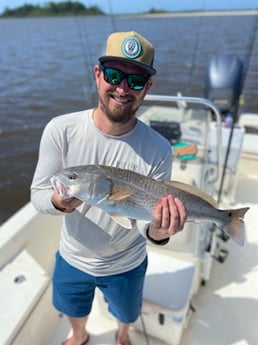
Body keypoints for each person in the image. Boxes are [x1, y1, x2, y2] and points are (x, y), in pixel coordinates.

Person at [31, 31, 187, 345]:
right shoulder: (60, 130)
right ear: (98, 74)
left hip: (127, 262)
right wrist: (60, 202)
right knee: (72, 307)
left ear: (148, 88)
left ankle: (123, 334)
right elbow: (38, 195)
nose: (123, 88)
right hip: (73, 256)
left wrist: (161, 231)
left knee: (127, 313)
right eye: (114, 75)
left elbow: (145, 224)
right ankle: (79, 335)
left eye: (137, 81)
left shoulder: (158, 149)